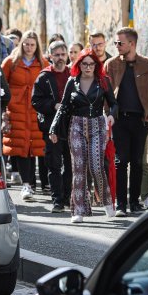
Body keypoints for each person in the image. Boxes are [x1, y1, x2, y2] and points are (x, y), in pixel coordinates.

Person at [49, 49, 117, 223]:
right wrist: (54, 128)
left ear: (96, 65)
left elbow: (114, 104)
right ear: (79, 65)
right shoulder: (72, 82)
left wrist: (111, 115)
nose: (88, 67)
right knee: (78, 168)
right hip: (77, 125)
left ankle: (107, 201)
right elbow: (63, 107)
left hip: (98, 125)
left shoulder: (103, 81)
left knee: (96, 166)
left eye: (91, 64)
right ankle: (78, 209)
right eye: (84, 63)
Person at [105, 27, 148, 216]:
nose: (117, 46)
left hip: (140, 120)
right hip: (120, 120)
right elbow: (106, 92)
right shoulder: (111, 65)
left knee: (137, 162)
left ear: (132, 44)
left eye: (120, 43)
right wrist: (109, 115)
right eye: (116, 43)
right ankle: (121, 204)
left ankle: (134, 202)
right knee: (121, 161)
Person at [2, 31, 48, 201]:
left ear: (37, 46)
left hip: (36, 111)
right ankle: (26, 185)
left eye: (32, 45)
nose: (29, 48)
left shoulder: (43, 64)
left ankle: (34, 184)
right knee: (21, 148)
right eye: (26, 44)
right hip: (16, 110)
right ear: (21, 44)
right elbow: (1, 86)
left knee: (34, 147)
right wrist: (5, 110)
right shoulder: (10, 63)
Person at [32, 41, 74, 213]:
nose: (60, 58)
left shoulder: (73, 74)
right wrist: (53, 105)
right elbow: (36, 101)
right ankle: (57, 200)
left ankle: (68, 198)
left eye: (63, 54)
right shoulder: (43, 77)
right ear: (50, 56)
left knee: (71, 164)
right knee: (54, 164)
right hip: (52, 127)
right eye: (56, 55)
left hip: (72, 125)